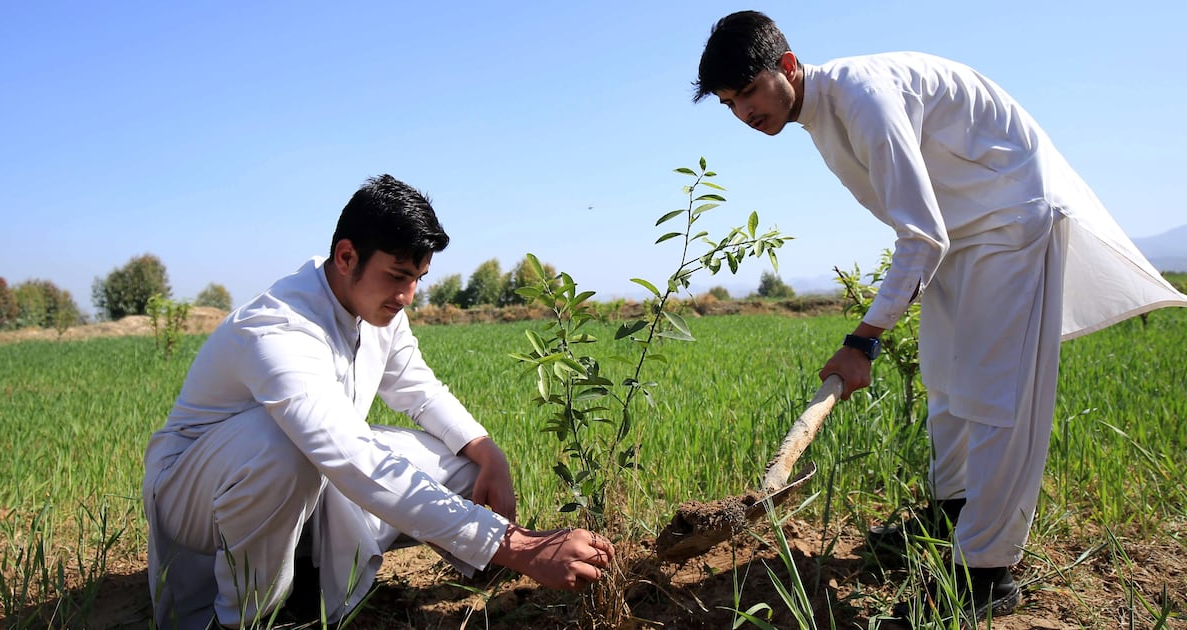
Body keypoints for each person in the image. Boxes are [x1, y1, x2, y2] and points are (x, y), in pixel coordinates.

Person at [691, 10, 1187, 626]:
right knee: (947, 379)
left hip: (1011, 215)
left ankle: (985, 572)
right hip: (960, 231)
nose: (744, 114)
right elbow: (926, 229)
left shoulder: (861, 97)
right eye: (730, 104)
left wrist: (862, 342)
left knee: (999, 395)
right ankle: (949, 513)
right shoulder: (820, 119)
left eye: (749, 93)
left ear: (787, 67)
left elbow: (919, 235)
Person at [142, 173, 615, 629]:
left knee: (466, 468)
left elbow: (418, 388)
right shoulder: (277, 328)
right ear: (346, 256)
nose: (408, 295)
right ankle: (242, 619)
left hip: (305, 479)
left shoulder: (374, 308)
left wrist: (488, 451)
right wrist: (516, 546)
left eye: (418, 279)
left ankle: (313, 586)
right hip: (195, 501)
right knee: (282, 445)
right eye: (397, 276)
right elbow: (347, 454)